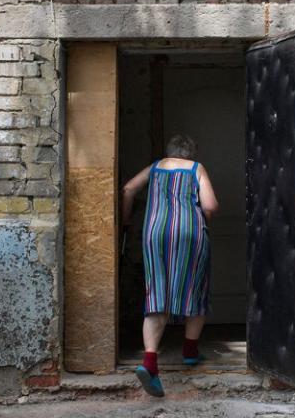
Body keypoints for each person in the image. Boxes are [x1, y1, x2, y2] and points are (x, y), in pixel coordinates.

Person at [120, 133, 220, 397]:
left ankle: (150, 363)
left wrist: (126, 221)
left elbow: (128, 189)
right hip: (190, 233)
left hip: (154, 234)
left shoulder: (155, 167)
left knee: (157, 293)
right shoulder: (196, 168)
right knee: (194, 287)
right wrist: (203, 220)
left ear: (170, 151)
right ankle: (189, 351)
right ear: (191, 153)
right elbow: (210, 205)